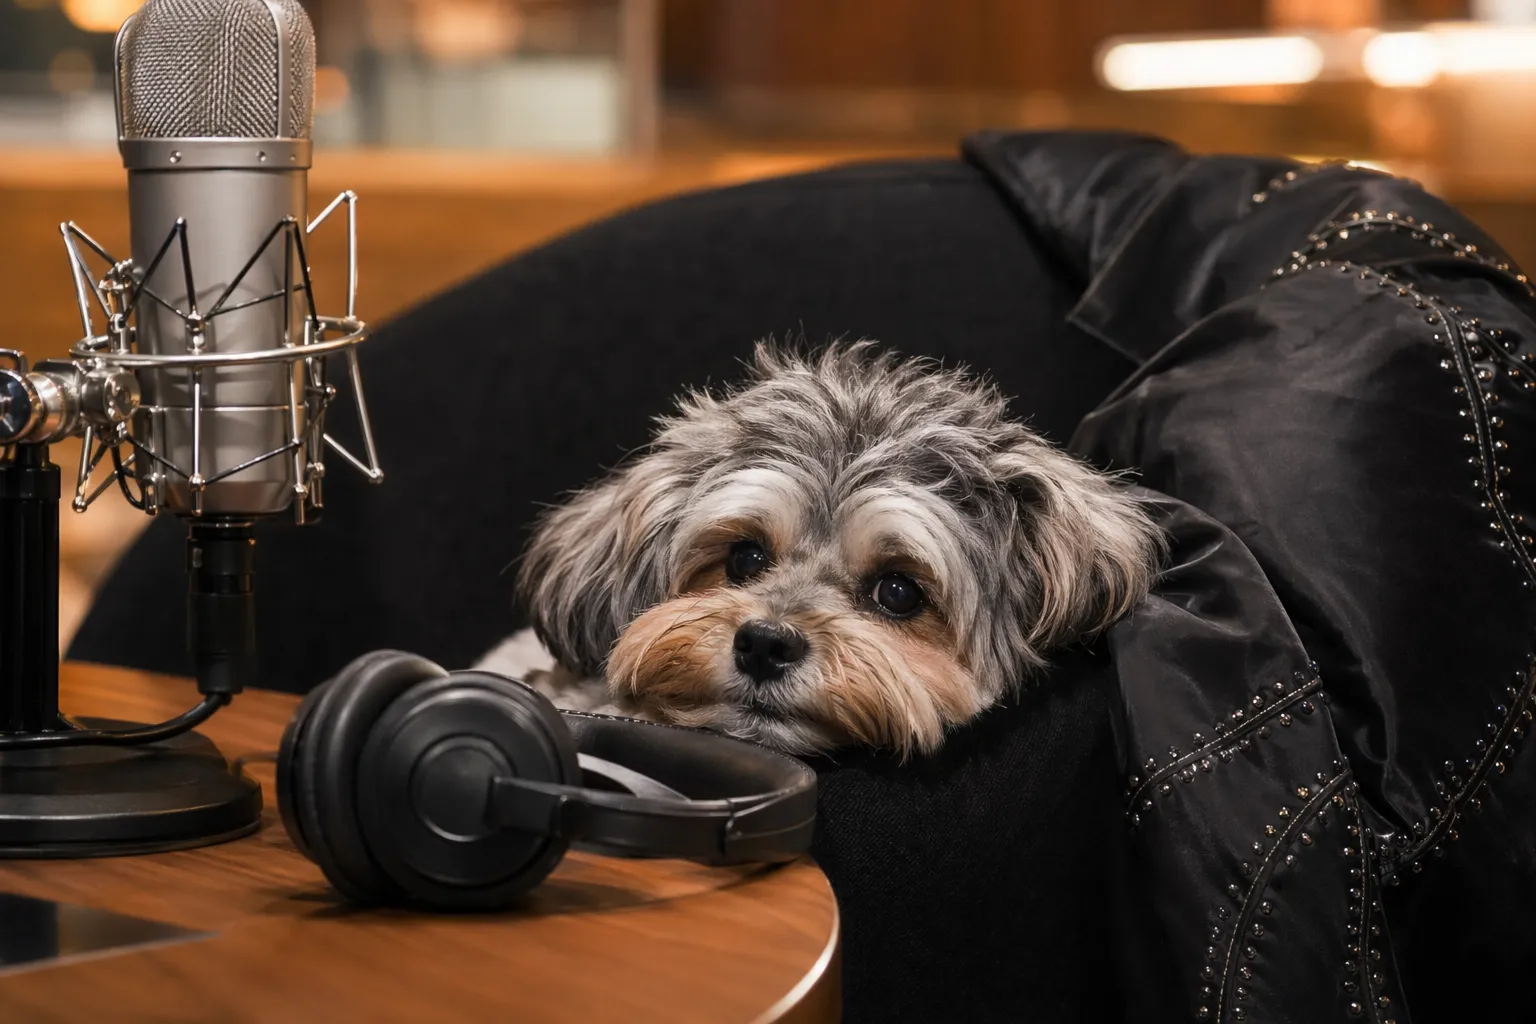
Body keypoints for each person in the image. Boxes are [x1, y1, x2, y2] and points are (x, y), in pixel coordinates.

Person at [74, 129, 1536, 1022]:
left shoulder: (1054, 579)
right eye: (743, 559)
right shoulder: (510, 712)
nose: (773, 627)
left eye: (893, 593)